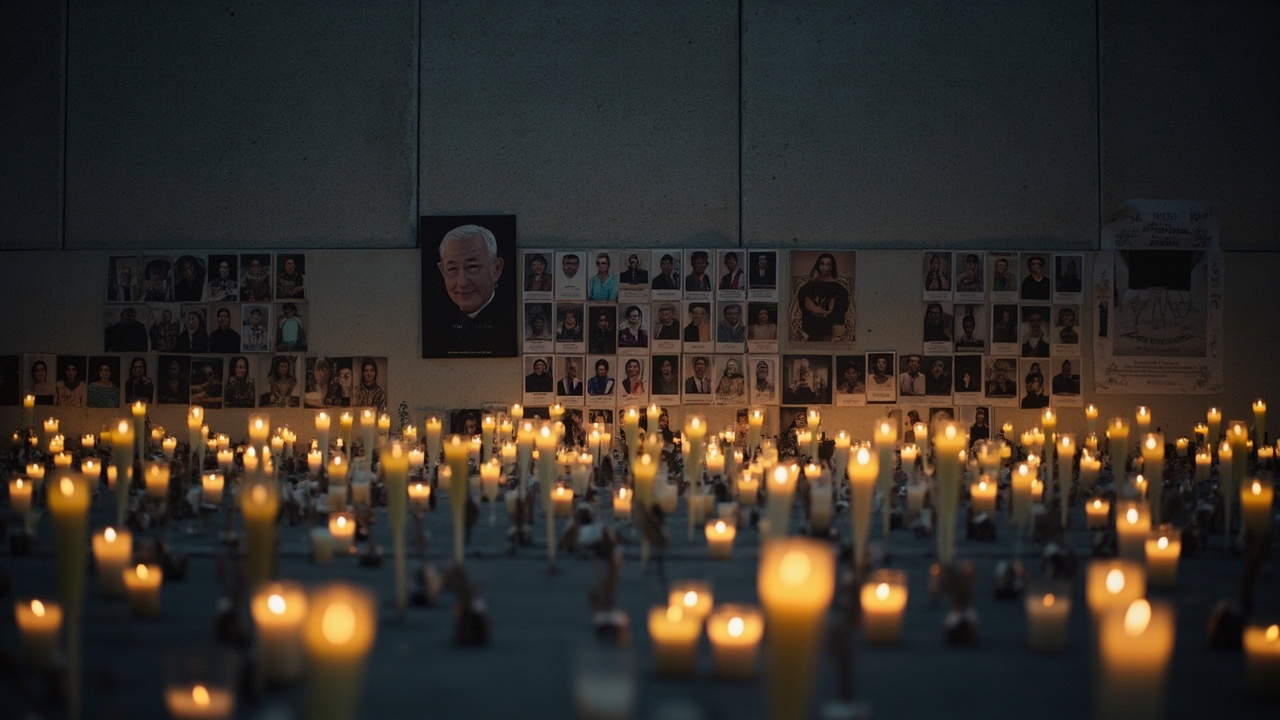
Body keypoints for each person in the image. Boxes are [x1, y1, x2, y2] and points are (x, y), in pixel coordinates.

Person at [435, 224, 513, 356]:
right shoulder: (435, 327)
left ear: (496, 269)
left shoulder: (510, 323)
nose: (462, 282)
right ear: (443, 271)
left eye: (473, 267)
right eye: (453, 269)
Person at [794, 253, 852, 341]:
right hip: (810, 332)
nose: (824, 267)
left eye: (828, 264)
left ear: (832, 267)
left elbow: (839, 316)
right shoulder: (807, 287)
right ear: (818, 265)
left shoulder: (841, 290)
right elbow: (803, 303)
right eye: (822, 264)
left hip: (830, 333)